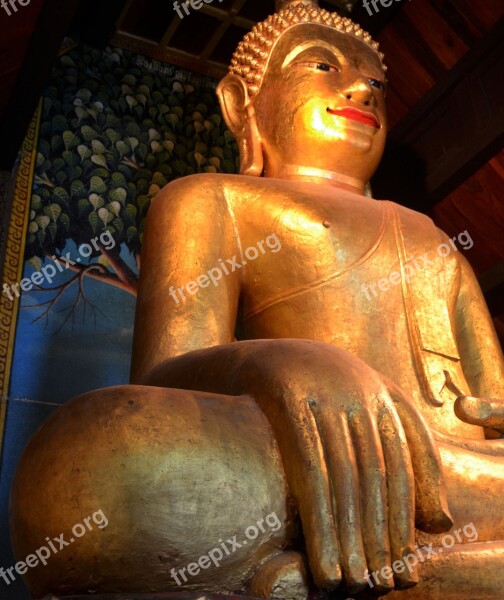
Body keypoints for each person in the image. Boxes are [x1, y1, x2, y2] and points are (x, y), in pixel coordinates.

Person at [10, 2, 504, 599]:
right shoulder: (210, 199)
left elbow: (491, 409)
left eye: (376, 83)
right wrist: (281, 361)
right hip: (295, 459)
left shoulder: (432, 237)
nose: (360, 89)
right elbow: (166, 378)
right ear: (241, 104)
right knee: (99, 462)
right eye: (322, 65)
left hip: (451, 477)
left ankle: (407, 574)